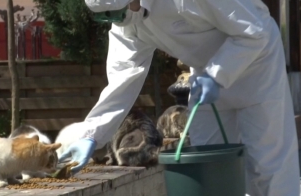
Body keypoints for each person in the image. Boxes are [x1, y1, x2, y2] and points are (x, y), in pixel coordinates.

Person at [59, 0, 300, 195]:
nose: (115, 20)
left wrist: (217, 74)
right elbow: (122, 77)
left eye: (116, 13)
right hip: (206, 76)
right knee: (209, 166)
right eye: (106, 17)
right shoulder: (127, 22)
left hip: (257, 68)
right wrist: (91, 134)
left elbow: (254, 30)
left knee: (267, 166)